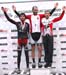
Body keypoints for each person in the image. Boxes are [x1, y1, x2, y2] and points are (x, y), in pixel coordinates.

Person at [12, 3, 58, 68]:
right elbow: (22, 16)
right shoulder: (30, 16)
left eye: (36, 10)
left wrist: (55, 8)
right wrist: (15, 11)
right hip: (32, 34)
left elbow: (49, 14)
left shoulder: (40, 16)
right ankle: (33, 62)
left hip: (39, 34)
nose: (36, 11)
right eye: (34, 10)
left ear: (37, 10)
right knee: (33, 49)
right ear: (32, 10)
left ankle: (39, 62)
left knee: (40, 49)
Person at [1, 7, 29, 74]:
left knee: (26, 55)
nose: (22, 17)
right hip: (19, 41)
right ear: (19, 18)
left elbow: (29, 32)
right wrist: (5, 12)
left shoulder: (27, 24)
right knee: (19, 55)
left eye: (23, 16)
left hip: (25, 41)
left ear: (25, 18)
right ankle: (18, 68)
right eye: (21, 16)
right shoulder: (17, 23)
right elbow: (9, 19)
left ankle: (27, 67)